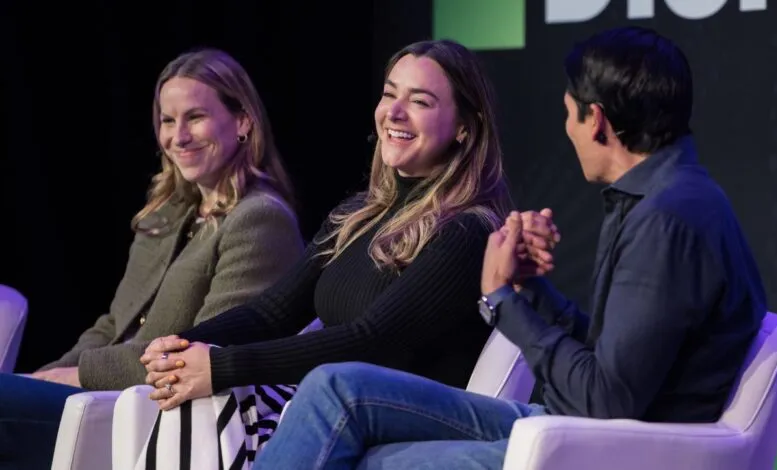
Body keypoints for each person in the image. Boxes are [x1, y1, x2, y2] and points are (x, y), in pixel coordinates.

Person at [251, 26, 767, 470]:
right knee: (335, 390)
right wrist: (531, 289)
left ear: (598, 121)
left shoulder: (667, 218)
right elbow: (616, 362)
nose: (567, 130)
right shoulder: (658, 196)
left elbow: (607, 401)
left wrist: (503, 301)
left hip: (623, 445)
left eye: (569, 114)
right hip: (588, 423)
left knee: (362, 453)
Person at [138, 39, 538, 467]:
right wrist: (183, 345)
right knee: (189, 398)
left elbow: (374, 341)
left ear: (464, 126)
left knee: (224, 390)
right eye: (389, 93)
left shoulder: (467, 229)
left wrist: (220, 366)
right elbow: (274, 312)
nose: (394, 112)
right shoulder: (357, 214)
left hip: (399, 415)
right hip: (329, 404)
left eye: (419, 101)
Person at [0, 48, 304, 470]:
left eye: (194, 117)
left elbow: (206, 350)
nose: (177, 136)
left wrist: (78, 375)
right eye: (167, 120)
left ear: (242, 122)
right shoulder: (164, 215)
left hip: (152, 411)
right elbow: (113, 324)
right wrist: (45, 375)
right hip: (96, 398)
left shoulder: (261, 220)